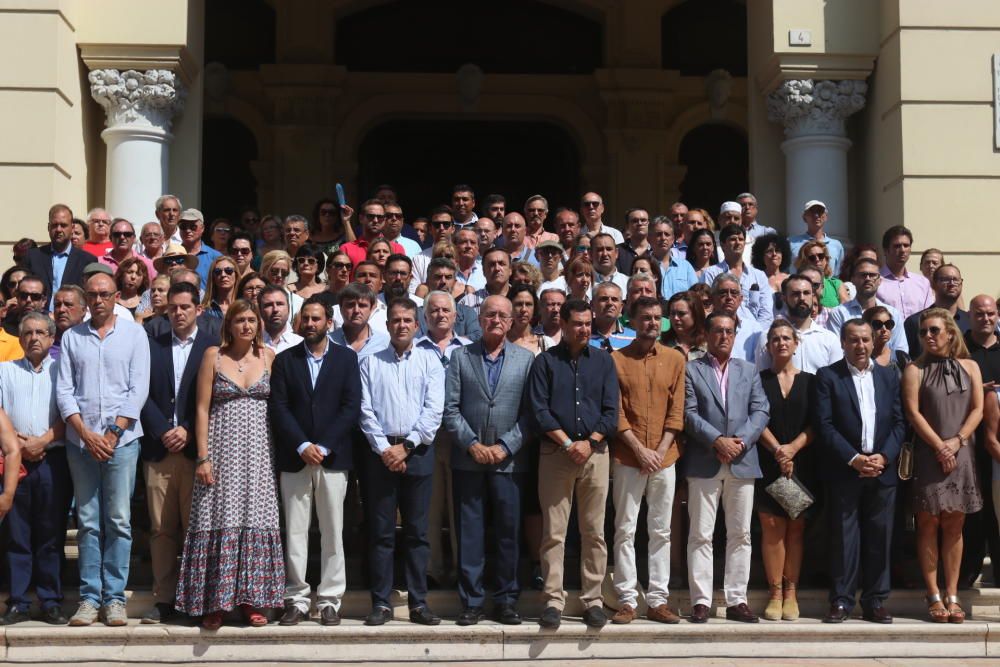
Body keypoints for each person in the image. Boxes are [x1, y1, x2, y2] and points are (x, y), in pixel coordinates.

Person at [175, 299, 283, 629]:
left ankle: (252, 601)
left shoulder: (269, 357)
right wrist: (203, 457)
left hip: (259, 453)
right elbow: (202, 409)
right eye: (240, 320)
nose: (246, 326)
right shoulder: (214, 356)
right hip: (220, 451)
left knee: (255, 519)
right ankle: (215, 603)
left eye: (252, 320)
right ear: (229, 325)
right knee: (217, 518)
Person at [57, 271, 150, 626]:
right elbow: (65, 391)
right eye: (92, 295)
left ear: (116, 296)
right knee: (88, 522)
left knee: (119, 520)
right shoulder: (72, 339)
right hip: (81, 443)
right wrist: (86, 433)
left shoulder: (134, 335)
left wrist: (111, 434)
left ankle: (114, 598)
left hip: (122, 444)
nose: (98, 300)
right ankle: (88, 598)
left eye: (104, 294)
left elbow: (137, 389)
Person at [442, 295, 533, 625]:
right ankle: (472, 601)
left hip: (510, 463)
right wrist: (473, 445)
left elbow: (530, 414)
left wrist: (506, 447)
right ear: (479, 319)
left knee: (508, 533)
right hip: (469, 461)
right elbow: (449, 410)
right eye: (490, 314)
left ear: (511, 322)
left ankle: (507, 600)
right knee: (470, 532)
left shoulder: (526, 359)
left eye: (502, 315)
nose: (496, 319)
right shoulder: (460, 357)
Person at [270, 296, 361, 627]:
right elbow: (278, 408)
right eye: (305, 319)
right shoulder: (284, 361)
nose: (310, 324)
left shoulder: (347, 360)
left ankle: (329, 600)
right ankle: (295, 597)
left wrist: (323, 445)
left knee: (333, 531)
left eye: (316, 319)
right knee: (295, 532)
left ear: (329, 323)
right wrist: (303, 444)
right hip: (295, 458)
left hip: (333, 458)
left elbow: (351, 407)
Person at [529, 299, 619, 629]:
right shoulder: (545, 362)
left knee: (594, 531)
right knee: (554, 532)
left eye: (587, 323)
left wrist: (589, 443)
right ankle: (553, 599)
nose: (583, 329)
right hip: (557, 454)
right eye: (577, 323)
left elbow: (612, 412)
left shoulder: (604, 363)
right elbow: (539, 411)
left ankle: (592, 599)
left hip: (595, 455)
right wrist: (569, 443)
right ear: (563, 325)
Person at [359, 298, 445, 626]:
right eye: (396, 320)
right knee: (381, 532)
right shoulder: (369, 362)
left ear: (417, 324)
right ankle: (381, 603)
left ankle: (418, 603)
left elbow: (433, 410)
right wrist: (385, 449)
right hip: (380, 454)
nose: (402, 325)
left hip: (417, 452)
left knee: (417, 533)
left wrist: (406, 447)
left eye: (408, 319)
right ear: (387, 324)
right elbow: (364, 411)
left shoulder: (430, 361)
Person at [815, 319, 906, 624]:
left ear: (874, 342)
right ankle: (841, 601)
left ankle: (876, 601)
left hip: (882, 470)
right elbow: (824, 425)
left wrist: (884, 457)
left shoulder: (889, 376)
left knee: (880, 538)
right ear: (843, 343)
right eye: (854, 340)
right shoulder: (828, 376)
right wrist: (853, 458)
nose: (861, 346)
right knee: (844, 538)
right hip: (845, 471)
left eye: (866, 340)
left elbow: (898, 423)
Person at [138, 282, 219, 624]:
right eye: (173, 308)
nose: (179, 313)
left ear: (199, 309)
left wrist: (186, 428)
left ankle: (193, 597)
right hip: (159, 450)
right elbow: (139, 391)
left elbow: (214, 396)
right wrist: (162, 429)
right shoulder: (150, 345)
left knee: (195, 528)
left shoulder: (212, 347)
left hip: (194, 451)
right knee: (161, 529)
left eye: (185, 307)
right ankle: (164, 598)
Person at [684, 312, 769, 624]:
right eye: (717, 331)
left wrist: (740, 442)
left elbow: (761, 410)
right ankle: (701, 601)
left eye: (729, 331)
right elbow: (688, 413)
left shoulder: (749, 370)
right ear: (706, 334)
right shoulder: (692, 370)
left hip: (742, 460)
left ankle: (737, 600)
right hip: (704, 459)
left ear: (735, 335)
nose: (723, 336)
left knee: (741, 534)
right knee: (700, 534)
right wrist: (717, 440)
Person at [902, 309, 983, 623]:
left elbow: (977, 409)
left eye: (934, 330)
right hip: (929, 454)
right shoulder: (915, 369)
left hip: (961, 453)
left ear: (950, 332)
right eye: (923, 332)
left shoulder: (971, 366)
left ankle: (952, 593)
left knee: (954, 525)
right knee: (928, 523)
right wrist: (940, 445)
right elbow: (913, 413)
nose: (928, 336)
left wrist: (957, 441)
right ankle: (933, 593)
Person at [609, 296, 685, 625]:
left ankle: (657, 600)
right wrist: (639, 450)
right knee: (625, 528)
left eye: (657, 318)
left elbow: (677, 412)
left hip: (665, 457)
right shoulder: (615, 360)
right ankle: (627, 599)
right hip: (628, 456)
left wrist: (658, 450)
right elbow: (616, 412)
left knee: (661, 530)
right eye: (645, 318)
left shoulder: (675, 359)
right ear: (631, 321)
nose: (652, 323)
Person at [0, 312, 69, 626]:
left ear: (52, 338)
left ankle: (51, 600)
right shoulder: (4, 371)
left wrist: (42, 441)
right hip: (15, 463)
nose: (34, 338)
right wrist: (18, 443)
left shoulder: (62, 371)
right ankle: (18, 602)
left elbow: (71, 414)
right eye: (28, 333)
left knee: (51, 534)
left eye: (41, 332)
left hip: (53, 460)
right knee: (17, 535)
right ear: (20, 338)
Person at [755, 319, 817, 621]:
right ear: (768, 346)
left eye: (786, 338)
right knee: (771, 528)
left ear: (796, 343)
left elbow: (817, 424)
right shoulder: (758, 380)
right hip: (768, 461)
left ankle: (791, 592)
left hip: (802, 462)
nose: (781, 343)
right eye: (775, 339)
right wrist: (778, 450)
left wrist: (792, 449)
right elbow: (755, 418)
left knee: (795, 528)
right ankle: (775, 592)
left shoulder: (811, 381)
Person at [414, 291, 470, 588]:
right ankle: (433, 570)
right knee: (431, 508)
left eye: (445, 309)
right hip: (429, 438)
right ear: (425, 317)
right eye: (433, 310)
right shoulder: (415, 349)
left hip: (462, 437)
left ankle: (465, 569)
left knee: (462, 507)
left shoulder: (469, 349)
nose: (439, 314)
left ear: (455, 314)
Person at [963, 295, 1000, 588]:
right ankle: (966, 573)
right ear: (970, 315)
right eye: (979, 313)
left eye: (990, 313)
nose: (985, 318)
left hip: (998, 446)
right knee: (972, 513)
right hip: (967, 444)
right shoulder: (959, 349)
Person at [754, 274, 842, 373]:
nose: (802, 298)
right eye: (795, 294)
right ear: (784, 298)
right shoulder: (768, 337)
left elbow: (835, 383)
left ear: (813, 296)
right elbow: (761, 381)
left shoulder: (829, 339)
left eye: (806, 293)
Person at [827, 257, 909, 355]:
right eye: (863, 275)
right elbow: (836, 352)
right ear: (852, 279)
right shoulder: (838, 313)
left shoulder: (893, 313)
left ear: (880, 280)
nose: (868, 278)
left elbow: (901, 351)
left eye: (873, 275)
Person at [701, 224, 774, 329]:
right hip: (721, 330)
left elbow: (766, 312)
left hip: (753, 334)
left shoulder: (759, 275)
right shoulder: (710, 273)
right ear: (722, 245)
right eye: (733, 239)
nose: (738, 242)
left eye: (741, 239)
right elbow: (707, 307)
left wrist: (756, 332)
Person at [25, 203, 98, 307]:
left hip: (73, 321)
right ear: (48, 227)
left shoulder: (87, 260)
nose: (59, 229)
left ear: (72, 228)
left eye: (63, 225)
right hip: (38, 318)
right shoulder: (33, 257)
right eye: (54, 225)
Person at [903, 263, 970, 358]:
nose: (951, 283)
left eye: (955, 280)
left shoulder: (970, 321)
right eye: (945, 279)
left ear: (961, 284)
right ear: (933, 284)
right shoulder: (915, 322)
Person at [877, 225, 933, 319]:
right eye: (897, 246)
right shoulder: (875, 281)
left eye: (906, 245)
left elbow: (929, 316)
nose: (903, 250)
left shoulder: (922, 283)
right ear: (886, 250)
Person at [330, 283, 390, 359]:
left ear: (371, 309)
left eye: (362, 305)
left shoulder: (385, 344)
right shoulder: (328, 342)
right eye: (350, 305)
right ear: (340, 308)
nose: (356, 310)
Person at [341, 200, 404, 269]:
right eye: (371, 216)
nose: (375, 220)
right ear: (361, 218)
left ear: (384, 220)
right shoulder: (347, 249)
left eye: (380, 217)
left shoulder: (396, 249)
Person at [788, 200, 845, 276]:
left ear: (826, 217)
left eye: (820, 212)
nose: (816, 215)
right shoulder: (791, 242)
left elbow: (839, 275)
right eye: (812, 212)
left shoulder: (836, 245)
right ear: (804, 217)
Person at [649, 217, 696, 299]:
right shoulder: (644, 266)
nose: (663, 238)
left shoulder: (685, 267)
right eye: (658, 234)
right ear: (649, 238)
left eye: (667, 234)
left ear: (673, 239)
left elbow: (694, 296)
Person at [793, 239, 848, 307]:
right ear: (804, 262)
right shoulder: (796, 285)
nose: (817, 259)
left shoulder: (836, 285)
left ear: (826, 259)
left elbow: (847, 310)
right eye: (812, 258)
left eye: (821, 256)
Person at [178, 209, 221, 289]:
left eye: (193, 227)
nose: (188, 230)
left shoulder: (216, 257)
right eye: (183, 227)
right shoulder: (172, 256)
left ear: (202, 228)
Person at [507, 283, 554, 355]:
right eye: (518, 304)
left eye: (528, 304)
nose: (523, 309)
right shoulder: (501, 342)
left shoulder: (546, 343)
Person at [863, 306, 910, 375]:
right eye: (877, 325)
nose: (884, 329)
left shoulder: (902, 357)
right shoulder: (861, 360)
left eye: (888, 324)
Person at [750, 233, 792, 312]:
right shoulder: (756, 280)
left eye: (778, 251)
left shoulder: (791, 279)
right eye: (769, 251)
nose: (774, 254)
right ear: (761, 256)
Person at [589, 282, 634, 351]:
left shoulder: (634, 338)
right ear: (592, 305)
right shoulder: (582, 337)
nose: (610, 303)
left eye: (614, 299)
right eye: (604, 299)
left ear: (621, 307)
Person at [259, 285, 304, 354]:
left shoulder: (301, 344)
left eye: (280, 304)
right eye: (269, 305)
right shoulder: (252, 345)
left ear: (288, 308)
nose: (275, 309)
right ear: (260, 310)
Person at [663, 291, 707, 360]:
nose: (676, 318)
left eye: (681, 313)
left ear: (696, 314)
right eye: (672, 313)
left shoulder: (710, 345)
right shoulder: (662, 345)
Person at [615, 208, 651, 274]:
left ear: (648, 223)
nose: (640, 223)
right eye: (635, 221)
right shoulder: (617, 251)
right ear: (627, 225)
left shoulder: (656, 250)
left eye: (643, 220)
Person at [201, 255, 239, 319]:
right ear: (213, 277)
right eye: (218, 271)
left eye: (228, 270)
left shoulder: (245, 305)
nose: (223, 275)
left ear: (236, 275)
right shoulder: (204, 310)